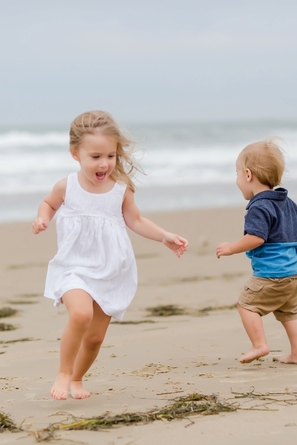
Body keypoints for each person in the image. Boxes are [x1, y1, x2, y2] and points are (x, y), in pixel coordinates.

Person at [32, 110, 188, 400]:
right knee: (80, 314)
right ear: (75, 154)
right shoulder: (67, 186)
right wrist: (42, 218)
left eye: (110, 156)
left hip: (111, 270)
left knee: (94, 338)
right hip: (74, 267)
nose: (104, 163)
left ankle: (77, 379)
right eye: (95, 157)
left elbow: (136, 220)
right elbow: (48, 204)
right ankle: (64, 373)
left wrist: (164, 235)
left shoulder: (120, 189)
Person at [216, 138, 297, 365]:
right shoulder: (289, 203)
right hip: (296, 274)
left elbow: (256, 238)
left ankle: (259, 344)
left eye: (237, 174)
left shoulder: (259, 206)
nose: (237, 180)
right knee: (290, 314)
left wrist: (231, 248)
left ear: (248, 175)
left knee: (246, 305)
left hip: (272, 275)